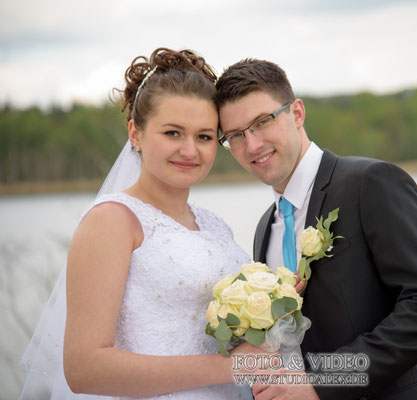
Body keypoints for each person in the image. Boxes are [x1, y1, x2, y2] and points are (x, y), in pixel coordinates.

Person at [19, 48, 267, 400]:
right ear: (136, 133)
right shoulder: (112, 221)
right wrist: (229, 366)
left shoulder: (215, 226)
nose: (189, 151)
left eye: (204, 136)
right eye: (172, 133)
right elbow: (84, 370)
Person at [215, 59, 417, 400]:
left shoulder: (370, 183)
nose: (252, 145)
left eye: (262, 122)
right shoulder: (265, 228)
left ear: (297, 113)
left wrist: (322, 383)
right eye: (235, 136)